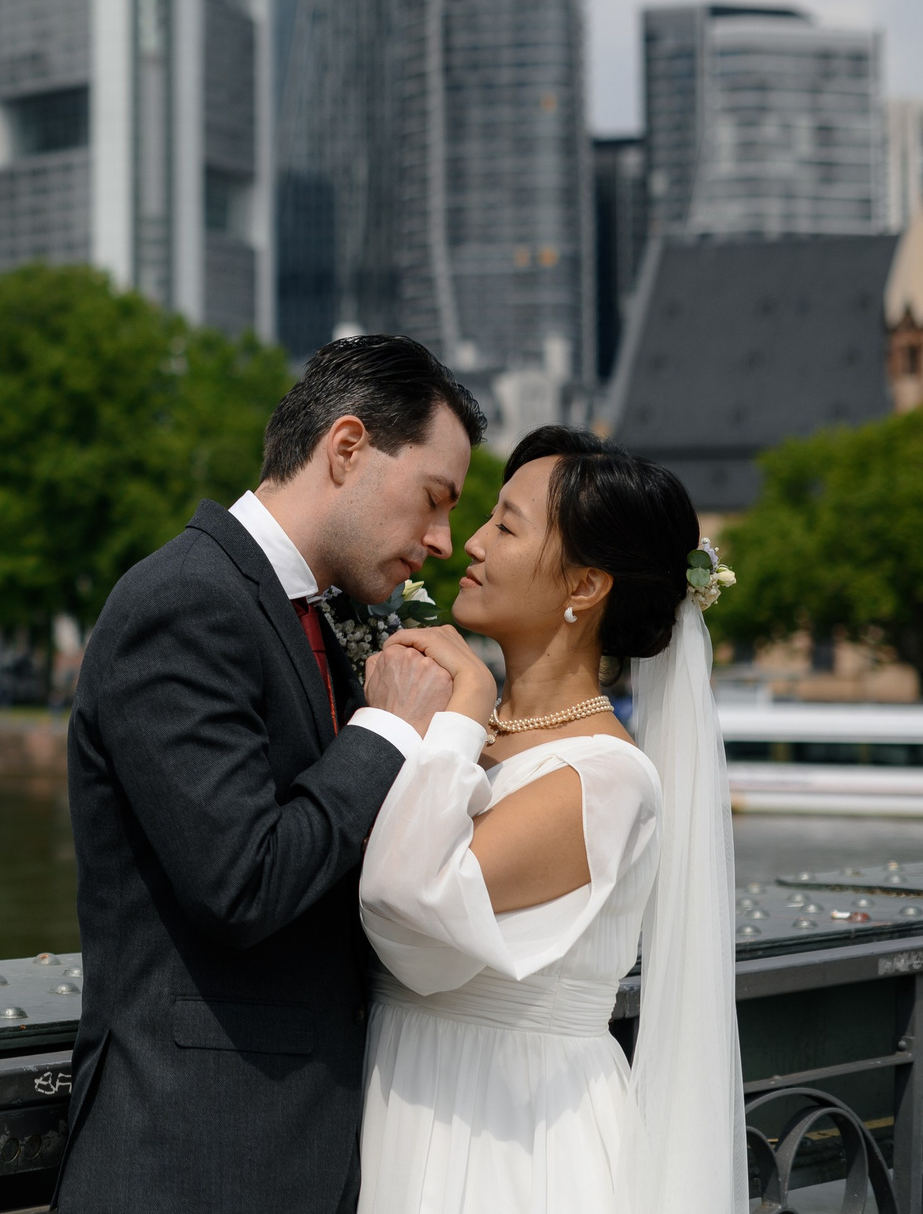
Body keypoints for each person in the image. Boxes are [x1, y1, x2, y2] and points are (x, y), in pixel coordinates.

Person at [57, 335, 483, 1213]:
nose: (441, 542)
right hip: (194, 1160)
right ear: (348, 446)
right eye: (434, 500)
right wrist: (388, 729)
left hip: (303, 1153)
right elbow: (241, 880)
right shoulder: (182, 600)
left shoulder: (313, 615)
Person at [357, 427, 743, 1212]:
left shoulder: (606, 777)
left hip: (508, 1139)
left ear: (586, 584)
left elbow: (406, 894)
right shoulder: (465, 728)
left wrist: (463, 707)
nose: (470, 543)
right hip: (398, 1099)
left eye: (506, 525)